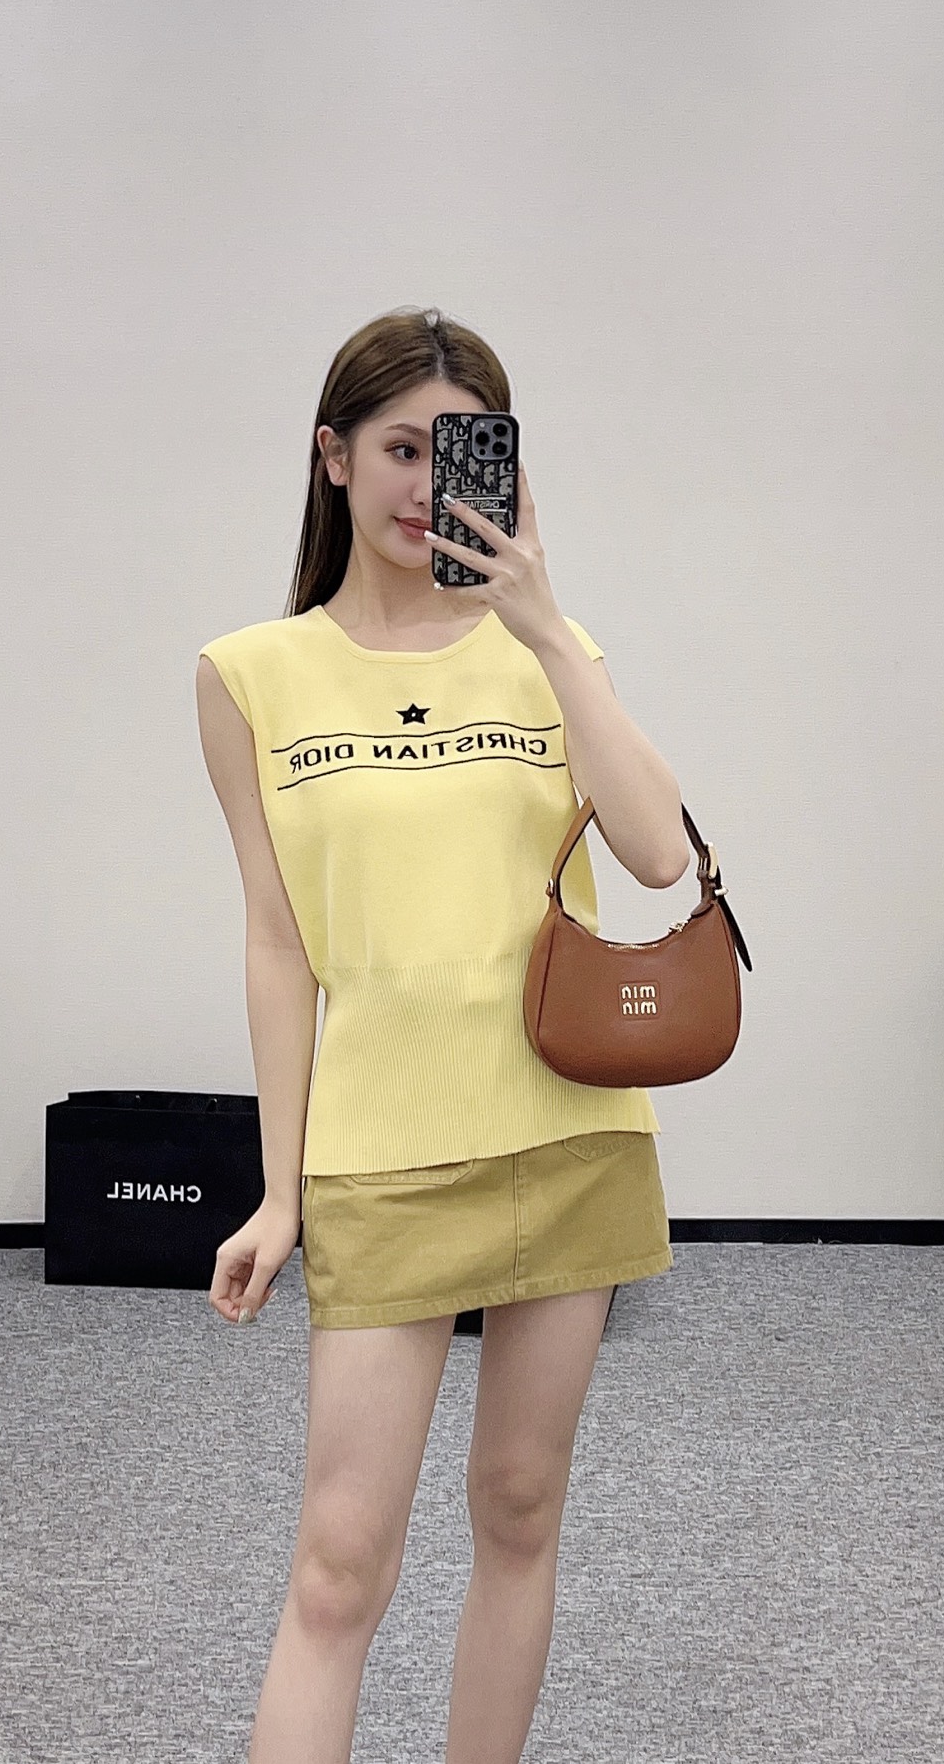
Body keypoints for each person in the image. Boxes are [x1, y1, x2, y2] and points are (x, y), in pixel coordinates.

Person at [195, 306, 693, 1764]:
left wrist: (544, 624)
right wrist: (280, 1190)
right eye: (401, 448)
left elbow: (659, 854)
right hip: (383, 1152)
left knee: (521, 1511)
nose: (426, 485)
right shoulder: (249, 675)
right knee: (339, 1562)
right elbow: (278, 941)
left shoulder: (551, 651)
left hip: (567, 1132)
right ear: (334, 456)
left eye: (459, 452)